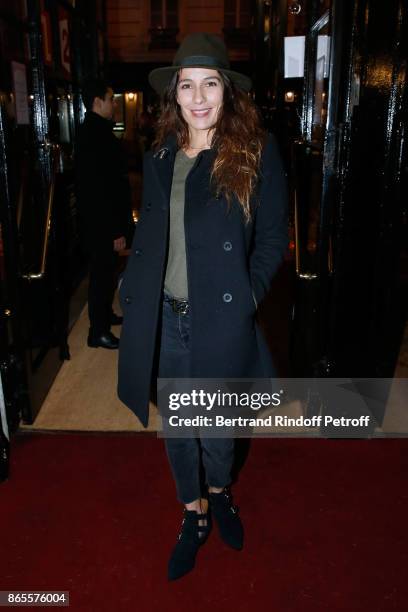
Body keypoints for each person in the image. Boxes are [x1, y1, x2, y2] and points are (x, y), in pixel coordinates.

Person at [117, 33, 288, 579]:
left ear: (226, 92)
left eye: (209, 83)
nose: (197, 96)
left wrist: (250, 294)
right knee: (177, 431)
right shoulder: (162, 154)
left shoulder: (255, 153)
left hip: (220, 318)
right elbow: (154, 234)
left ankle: (222, 495)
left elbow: (272, 236)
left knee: (215, 430)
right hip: (167, 318)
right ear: (174, 96)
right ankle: (193, 516)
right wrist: (134, 282)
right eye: (186, 85)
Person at [76, 78, 132, 350]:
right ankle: (97, 332)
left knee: (106, 273)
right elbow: (101, 190)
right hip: (102, 224)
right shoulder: (94, 134)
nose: (114, 104)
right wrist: (116, 231)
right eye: (111, 99)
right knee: (101, 275)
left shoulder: (95, 131)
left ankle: (105, 317)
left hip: (100, 222)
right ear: (98, 102)